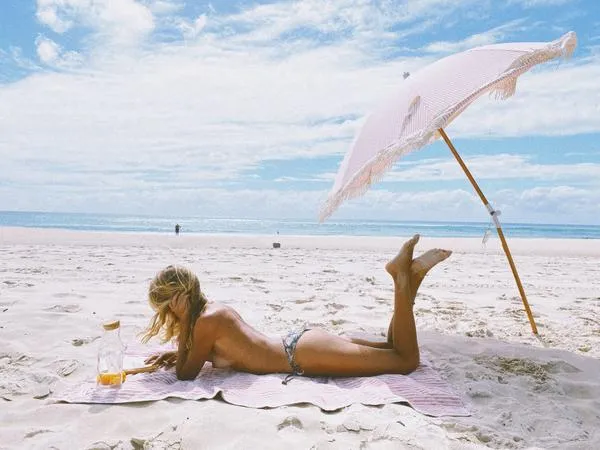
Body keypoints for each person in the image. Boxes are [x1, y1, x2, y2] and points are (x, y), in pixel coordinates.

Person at [143, 235, 451, 382]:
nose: (167, 317)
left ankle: (401, 277)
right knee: (392, 348)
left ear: (176, 302)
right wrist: (176, 351)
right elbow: (204, 353)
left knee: (405, 360)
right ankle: (412, 278)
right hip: (302, 344)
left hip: (302, 355)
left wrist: (183, 327)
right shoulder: (211, 311)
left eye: (166, 310)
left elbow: (186, 375)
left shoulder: (201, 322)